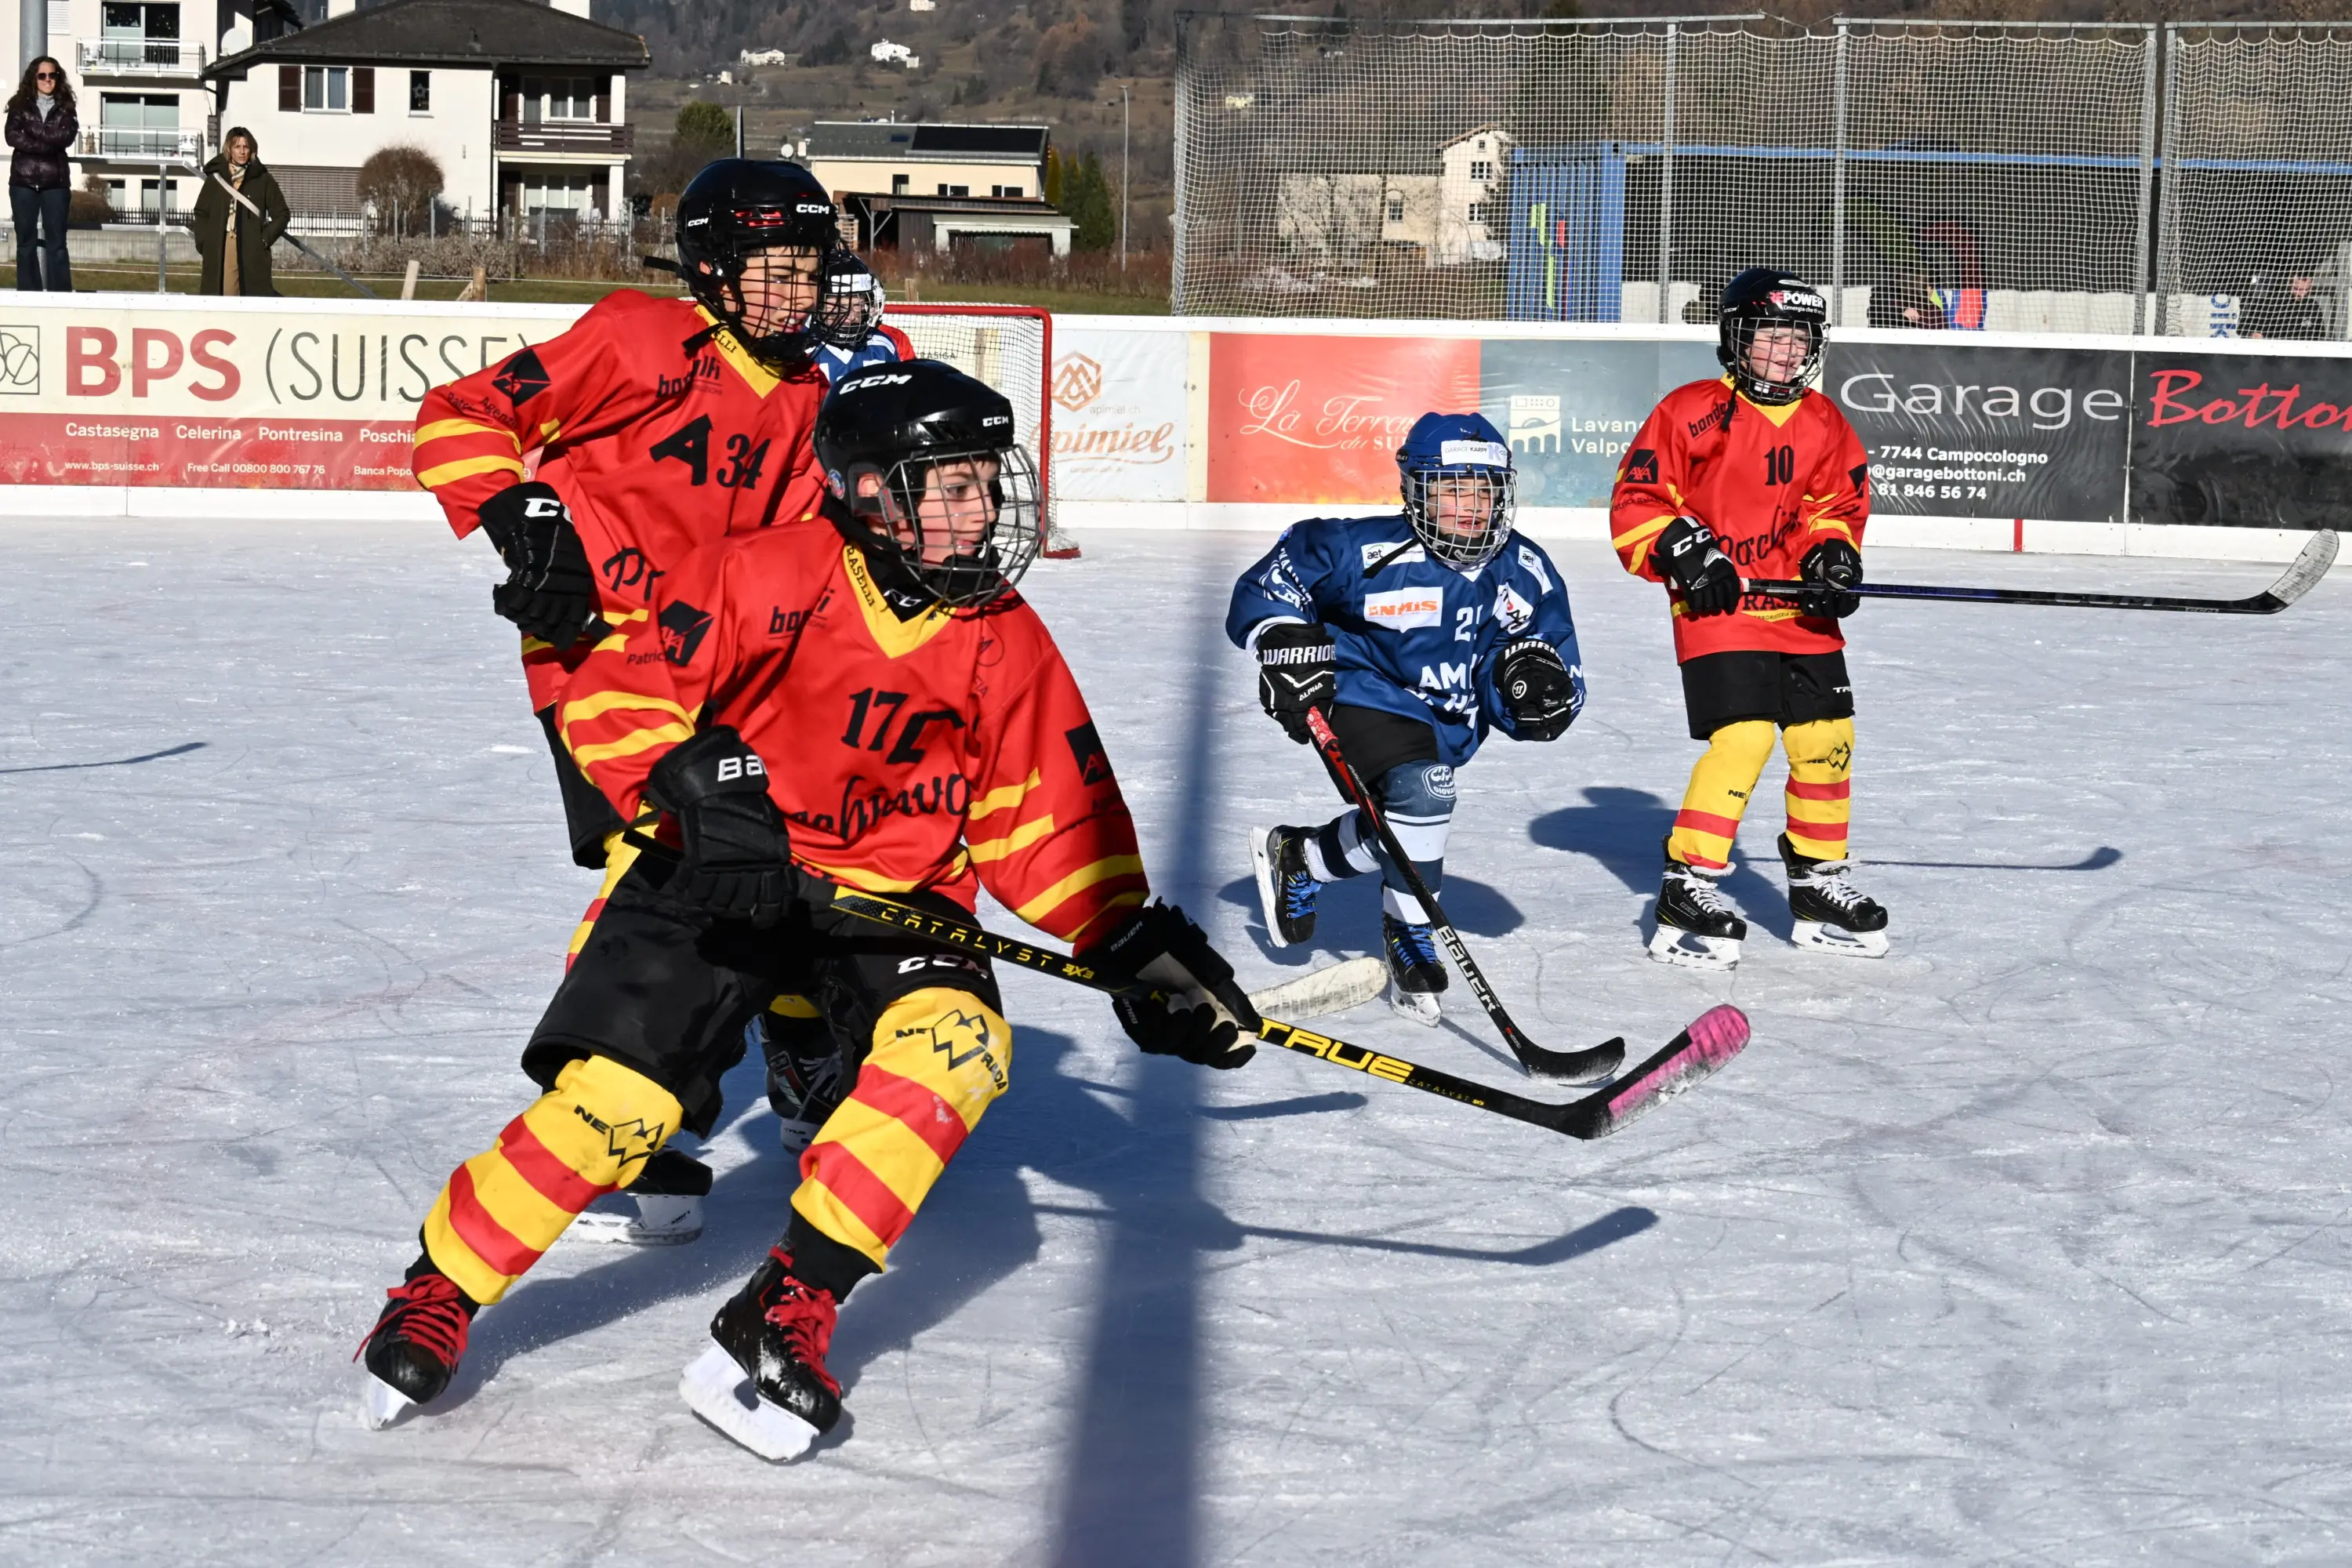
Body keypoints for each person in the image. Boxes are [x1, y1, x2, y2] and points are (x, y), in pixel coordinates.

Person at [356, 359, 1259, 1461]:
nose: (983, 511)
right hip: (718, 875)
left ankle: (791, 1302)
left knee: (960, 1046)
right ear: (872, 492)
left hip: (889, 902)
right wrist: (690, 777)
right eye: (953, 486)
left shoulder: (1003, 633)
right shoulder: (768, 573)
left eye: (987, 483)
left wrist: (1125, 938)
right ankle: (440, 1288)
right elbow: (618, 691)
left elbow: (1045, 812)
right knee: (619, 1106)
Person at [408, 158, 837, 1242]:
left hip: (714, 681)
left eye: (808, 271)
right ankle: (609, 1121)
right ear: (708, 267)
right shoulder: (637, 337)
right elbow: (458, 416)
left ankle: (788, 1042)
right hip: (595, 665)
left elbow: (785, 559)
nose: (796, 293)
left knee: (769, 864)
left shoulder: (805, 398)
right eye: (771, 271)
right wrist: (523, 517)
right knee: (647, 875)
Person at [1231, 413, 1584, 1022]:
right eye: (1451, 489)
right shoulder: (1363, 549)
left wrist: (1536, 693)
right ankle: (1409, 935)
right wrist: (1281, 634)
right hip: (1361, 690)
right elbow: (1278, 575)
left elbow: (1553, 667)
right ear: (1415, 491)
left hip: (1446, 724)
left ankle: (1303, 857)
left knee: (1408, 815)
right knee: (1425, 793)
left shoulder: (1526, 571)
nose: (1470, 506)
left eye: (1484, 490)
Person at [1611, 267, 1888, 971]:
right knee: (1743, 741)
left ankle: (1818, 881)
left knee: (1829, 739)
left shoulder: (1825, 423)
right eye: (1771, 332)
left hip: (1798, 611)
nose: (1785, 349)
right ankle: (1688, 883)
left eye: (1798, 336)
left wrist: (1833, 560)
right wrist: (1686, 552)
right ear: (1737, 337)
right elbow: (1639, 503)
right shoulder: (1693, 410)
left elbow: (1836, 509)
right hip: (1721, 608)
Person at [190, 127, 289, 297]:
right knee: (222, 293)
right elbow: (201, 213)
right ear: (229, 149)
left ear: (252, 150)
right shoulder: (215, 179)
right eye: (237, 147)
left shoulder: (263, 179)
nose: (242, 152)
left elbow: (282, 214)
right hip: (221, 245)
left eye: (246, 147)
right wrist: (204, 242)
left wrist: (264, 240)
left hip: (251, 248)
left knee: (251, 298)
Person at [5, 56, 76, 292]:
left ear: (58, 77)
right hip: (23, 182)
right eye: (42, 75)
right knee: (25, 243)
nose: (48, 80)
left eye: (52, 75)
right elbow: (12, 137)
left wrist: (33, 129)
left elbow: (65, 138)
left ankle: (61, 294)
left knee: (57, 243)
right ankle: (28, 292)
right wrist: (46, 143)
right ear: (33, 78)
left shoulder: (66, 106)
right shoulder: (19, 105)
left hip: (55, 182)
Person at [808, 249, 916, 383]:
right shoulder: (803, 349)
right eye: (839, 306)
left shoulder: (881, 345)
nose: (850, 316)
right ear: (819, 305)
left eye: (858, 305)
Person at [2241, 270, 2329, 341]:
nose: (2301, 294)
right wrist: (2254, 334)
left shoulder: (2313, 307)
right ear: (2289, 284)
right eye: (2297, 289)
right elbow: (2247, 327)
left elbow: (2319, 336)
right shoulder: (2270, 303)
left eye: (2306, 290)